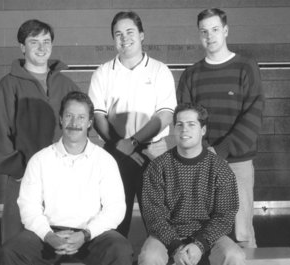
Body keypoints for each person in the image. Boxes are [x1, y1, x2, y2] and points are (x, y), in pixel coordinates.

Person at [0, 91, 133, 265]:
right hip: (48, 235)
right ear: (61, 119)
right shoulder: (40, 159)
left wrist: (85, 234)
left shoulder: (104, 161)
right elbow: (28, 206)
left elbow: (115, 208)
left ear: (89, 123)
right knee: (11, 251)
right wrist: (48, 235)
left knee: (120, 250)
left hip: (91, 235)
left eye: (81, 117)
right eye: (69, 116)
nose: (74, 123)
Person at [0, 19, 79, 243]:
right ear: (22, 47)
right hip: (24, 177)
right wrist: (18, 171)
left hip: (63, 177)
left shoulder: (67, 85)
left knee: (62, 241)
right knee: (19, 242)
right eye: (33, 41)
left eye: (46, 41)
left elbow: (81, 128)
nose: (41, 47)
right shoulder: (9, 85)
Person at [176, 8, 264, 248]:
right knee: (202, 234)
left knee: (242, 235)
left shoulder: (246, 67)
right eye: (204, 31)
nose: (210, 36)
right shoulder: (190, 75)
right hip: (200, 164)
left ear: (225, 30)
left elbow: (253, 116)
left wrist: (220, 151)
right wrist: (204, 154)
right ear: (198, 35)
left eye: (215, 30)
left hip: (237, 163)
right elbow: (185, 120)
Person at [88, 11, 177, 237]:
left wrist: (133, 142)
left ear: (142, 35)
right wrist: (120, 144)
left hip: (152, 152)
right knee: (115, 222)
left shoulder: (159, 70)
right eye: (118, 34)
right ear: (113, 40)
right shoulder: (103, 72)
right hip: (115, 153)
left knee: (158, 222)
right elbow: (98, 116)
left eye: (130, 32)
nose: (124, 38)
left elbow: (165, 115)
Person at [139, 103, 245, 265]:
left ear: (203, 130)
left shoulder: (220, 168)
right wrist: (176, 247)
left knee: (235, 256)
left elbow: (225, 216)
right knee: (149, 257)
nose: (184, 130)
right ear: (174, 130)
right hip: (167, 238)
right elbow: (154, 216)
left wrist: (199, 245)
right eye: (179, 125)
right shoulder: (157, 167)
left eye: (191, 124)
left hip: (209, 237)